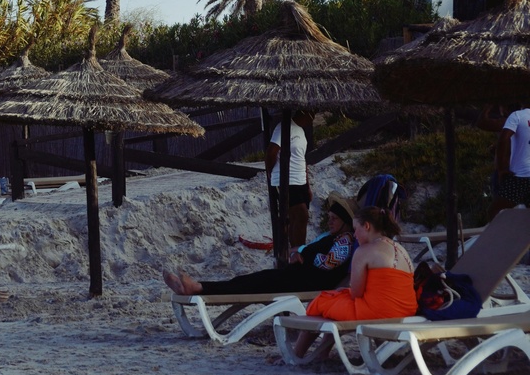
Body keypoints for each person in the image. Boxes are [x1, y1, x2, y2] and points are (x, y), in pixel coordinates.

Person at [164, 194, 358, 297]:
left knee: (253, 283)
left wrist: (305, 254)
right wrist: (300, 251)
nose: (329, 221)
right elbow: (311, 253)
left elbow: (327, 263)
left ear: (346, 222)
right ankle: (197, 287)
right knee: (251, 280)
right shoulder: (332, 237)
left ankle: (198, 288)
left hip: (307, 283)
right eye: (329, 217)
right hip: (299, 277)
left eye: (334, 218)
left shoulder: (345, 241)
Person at [304, 206, 417, 320]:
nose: (354, 235)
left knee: (320, 302)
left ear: (366, 226)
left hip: (380, 312)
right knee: (338, 297)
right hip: (407, 311)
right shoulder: (401, 250)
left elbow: (356, 294)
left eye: (355, 229)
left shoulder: (363, 251)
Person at [267, 110, 313, 249]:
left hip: (300, 180)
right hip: (287, 180)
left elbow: (302, 159)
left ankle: (296, 250)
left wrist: (308, 185)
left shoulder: (301, 131)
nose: (313, 117)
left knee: (297, 219)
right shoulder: (284, 127)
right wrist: (270, 172)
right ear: (303, 112)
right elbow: (271, 152)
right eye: (312, 113)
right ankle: (298, 251)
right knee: (301, 215)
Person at [490, 104, 530, 217]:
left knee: (495, 212)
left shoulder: (517, 115)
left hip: (520, 176)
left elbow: (504, 138)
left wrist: (502, 169)